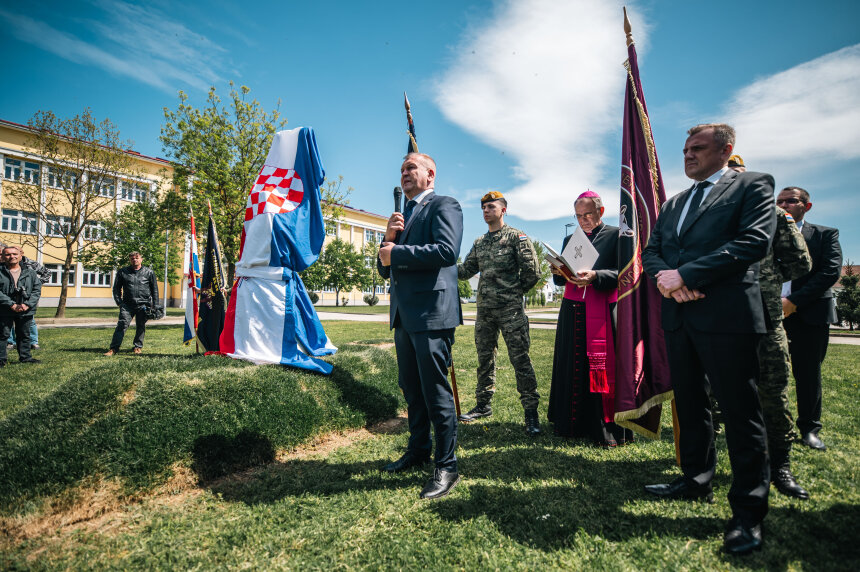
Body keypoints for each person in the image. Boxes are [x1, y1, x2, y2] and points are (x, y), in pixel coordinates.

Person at [641, 124, 775, 555]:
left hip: (727, 316)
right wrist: (668, 280)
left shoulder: (752, 185)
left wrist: (686, 275)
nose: (688, 155)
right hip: (679, 315)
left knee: (739, 412)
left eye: (697, 148)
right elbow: (652, 251)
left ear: (726, 149)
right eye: (685, 149)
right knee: (691, 404)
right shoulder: (675, 202)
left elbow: (754, 241)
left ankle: (748, 512)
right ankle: (696, 478)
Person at [377, 152, 464, 499]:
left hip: (432, 313)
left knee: (434, 392)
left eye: (411, 167)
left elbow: (447, 251)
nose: (404, 173)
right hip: (403, 315)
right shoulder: (403, 215)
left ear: (430, 175)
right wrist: (388, 238)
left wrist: (396, 253)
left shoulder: (444, 205)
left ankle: (447, 466)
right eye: (402, 169)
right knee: (412, 390)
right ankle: (418, 450)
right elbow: (385, 269)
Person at [727, 157, 813, 500]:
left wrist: (767, 277)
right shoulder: (707, 215)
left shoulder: (773, 215)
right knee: (716, 395)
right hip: (719, 319)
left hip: (764, 318)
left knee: (773, 396)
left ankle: (780, 465)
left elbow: (800, 262)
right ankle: (707, 466)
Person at [546, 191, 632, 447]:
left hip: (602, 309)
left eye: (587, 215)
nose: (582, 220)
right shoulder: (570, 239)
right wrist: (557, 270)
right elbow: (561, 280)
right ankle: (571, 423)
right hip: (572, 309)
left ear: (600, 212)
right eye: (578, 216)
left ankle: (602, 427)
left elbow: (626, 272)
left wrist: (596, 275)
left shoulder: (617, 235)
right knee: (570, 363)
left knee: (601, 366)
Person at [456, 191, 542, 435]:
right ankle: (483, 405)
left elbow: (533, 272)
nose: (486, 211)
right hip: (485, 312)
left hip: (510, 311)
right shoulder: (480, 242)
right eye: (483, 207)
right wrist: (442, 264)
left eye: (491, 207)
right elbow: (466, 270)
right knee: (485, 359)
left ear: (503, 210)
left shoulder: (516, 237)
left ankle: (531, 412)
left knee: (520, 359)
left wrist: (513, 292)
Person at [778, 186, 842, 451]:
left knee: (807, 374)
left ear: (807, 206)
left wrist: (794, 302)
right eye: (779, 201)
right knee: (764, 374)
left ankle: (809, 429)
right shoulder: (765, 235)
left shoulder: (825, 234)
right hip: (771, 314)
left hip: (809, 314)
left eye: (791, 201)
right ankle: (769, 427)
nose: (783, 205)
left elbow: (829, 272)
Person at [104, 252, 160, 356]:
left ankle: (137, 347)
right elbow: (116, 289)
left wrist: (155, 305)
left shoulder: (149, 272)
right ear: (130, 260)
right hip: (127, 305)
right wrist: (119, 302)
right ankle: (113, 348)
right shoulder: (123, 272)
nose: (135, 260)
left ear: (141, 259)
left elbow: (154, 290)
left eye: (137, 258)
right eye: (132, 258)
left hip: (144, 305)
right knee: (122, 325)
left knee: (141, 326)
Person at [0, 245, 42, 366]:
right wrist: (11, 304)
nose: (11, 256)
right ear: (3, 257)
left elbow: (36, 290)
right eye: (8, 254)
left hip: (25, 309)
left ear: (20, 256)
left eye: (14, 254)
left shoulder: (30, 272)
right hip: (4, 309)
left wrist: (27, 304)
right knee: (3, 335)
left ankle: (25, 357)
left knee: (24, 334)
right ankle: (1, 359)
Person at [7, 249, 49, 350]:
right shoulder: (6, 264)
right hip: (10, 297)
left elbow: (47, 272)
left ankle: (33, 342)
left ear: (21, 253)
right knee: (8, 319)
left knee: (30, 321)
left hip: (27, 297)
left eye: (16, 252)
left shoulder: (30, 264)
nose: (12, 256)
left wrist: (37, 283)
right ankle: (11, 342)